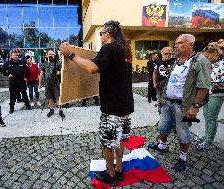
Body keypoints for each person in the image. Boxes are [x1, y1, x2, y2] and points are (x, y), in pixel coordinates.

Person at [60, 20, 133, 186]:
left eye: (101, 34)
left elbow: (92, 68)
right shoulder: (124, 50)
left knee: (107, 143)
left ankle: (111, 174)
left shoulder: (108, 48)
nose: (100, 37)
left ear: (107, 34)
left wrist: (71, 54)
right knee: (119, 140)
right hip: (126, 106)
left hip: (112, 107)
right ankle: (119, 170)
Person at [148, 34, 211, 172]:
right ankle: (162, 145)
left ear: (190, 44)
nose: (176, 46)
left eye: (180, 43)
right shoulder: (177, 60)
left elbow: (204, 86)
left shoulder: (200, 61)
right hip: (167, 102)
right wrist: (162, 99)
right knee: (163, 126)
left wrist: (195, 107)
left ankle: (183, 158)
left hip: (183, 105)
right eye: (176, 43)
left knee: (182, 132)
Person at [196, 42, 224, 150]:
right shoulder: (209, 64)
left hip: (217, 94)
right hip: (207, 93)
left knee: (212, 117)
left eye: (208, 56)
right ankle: (206, 136)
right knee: (206, 116)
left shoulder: (222, 63)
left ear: (215, 53)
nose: (207, 58)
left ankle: (209, 141)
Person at [39, 50, 65, 119]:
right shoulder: (44, 64)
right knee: (50, 98)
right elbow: (41, 73)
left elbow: (63, 70)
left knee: (58, 98)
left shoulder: (57, 63)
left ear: (54, 55)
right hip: (47, 85)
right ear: (47, 55)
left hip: (56, 84)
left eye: (52, 54)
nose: (50, 55)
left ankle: (61, 111)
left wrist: (59, 72)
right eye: (49, 54)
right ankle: (51, 110)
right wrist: (40, 83)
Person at [153, 47, 174, 114]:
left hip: (171, 87)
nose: (168, 55)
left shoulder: (175, 62)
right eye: (166, 54)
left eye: (170, 54)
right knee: (160, 104)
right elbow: (155, 73)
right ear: (162, 54)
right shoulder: (158, 62)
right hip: (160, 87)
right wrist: (154, 83)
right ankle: (161, 119)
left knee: (170, 105)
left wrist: (170, 70)